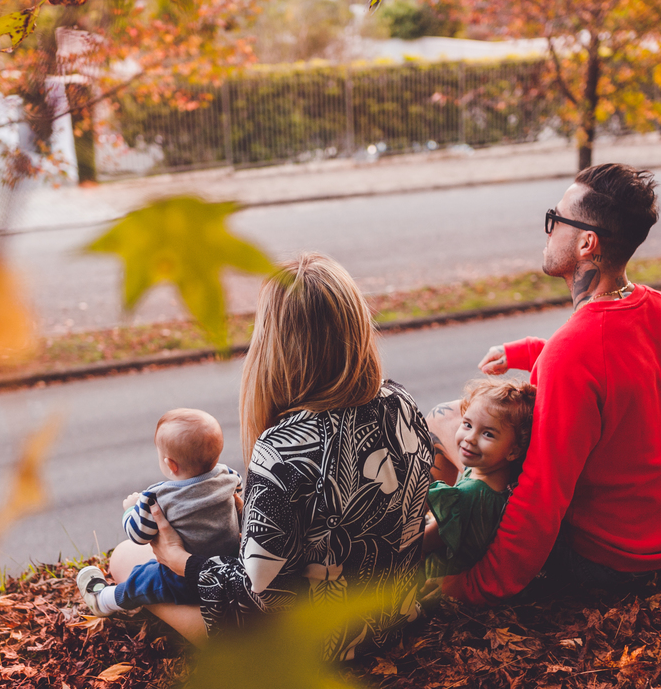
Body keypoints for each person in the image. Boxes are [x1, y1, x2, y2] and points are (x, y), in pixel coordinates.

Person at [108, 252, 434, 659]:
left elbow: (255, 597)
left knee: (127, 558)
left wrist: (178, 560)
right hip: (394, 617)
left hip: (321, 650)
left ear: (275, 345)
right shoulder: (400, 401)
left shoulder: (282, 447)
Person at [429, 163, 661, 605]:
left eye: (555, 219)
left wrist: (475, 586)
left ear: (586, 242)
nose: (548, 230)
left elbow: (541, 498)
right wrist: (528, 352)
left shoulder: (573, 352)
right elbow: (616, 368)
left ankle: (445, 553)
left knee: (450, 418)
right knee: (480, 422)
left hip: (609, 560)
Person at [77, 408, 242, 616]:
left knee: (145, 578)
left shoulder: (156, 497)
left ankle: (104, 601)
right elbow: (238, 496)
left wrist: (130, 509)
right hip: (231, 564)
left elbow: (139, 535)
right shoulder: (229, 476)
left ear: (170, 464)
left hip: (184, 579)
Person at [422, 379, 535, 579]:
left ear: (513, 451)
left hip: (437, 578)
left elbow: (422, 543)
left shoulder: (467, 497)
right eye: (467, 424)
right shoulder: (500, 481)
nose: (470, 438)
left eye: (488, 434)